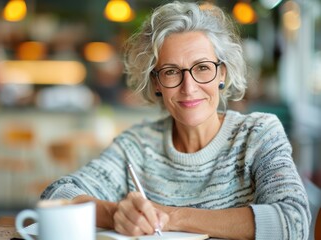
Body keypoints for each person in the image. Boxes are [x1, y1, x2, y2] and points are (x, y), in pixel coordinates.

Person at [40, 1, 311, 239]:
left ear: (222, 74)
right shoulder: (137, 145)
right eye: (171, 72)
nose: (188, 87)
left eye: (202, 68)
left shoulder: (258, 134)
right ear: (156, 82)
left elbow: (293, 222)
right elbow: (56, 196)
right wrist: (116, 214)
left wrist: (170, 217)